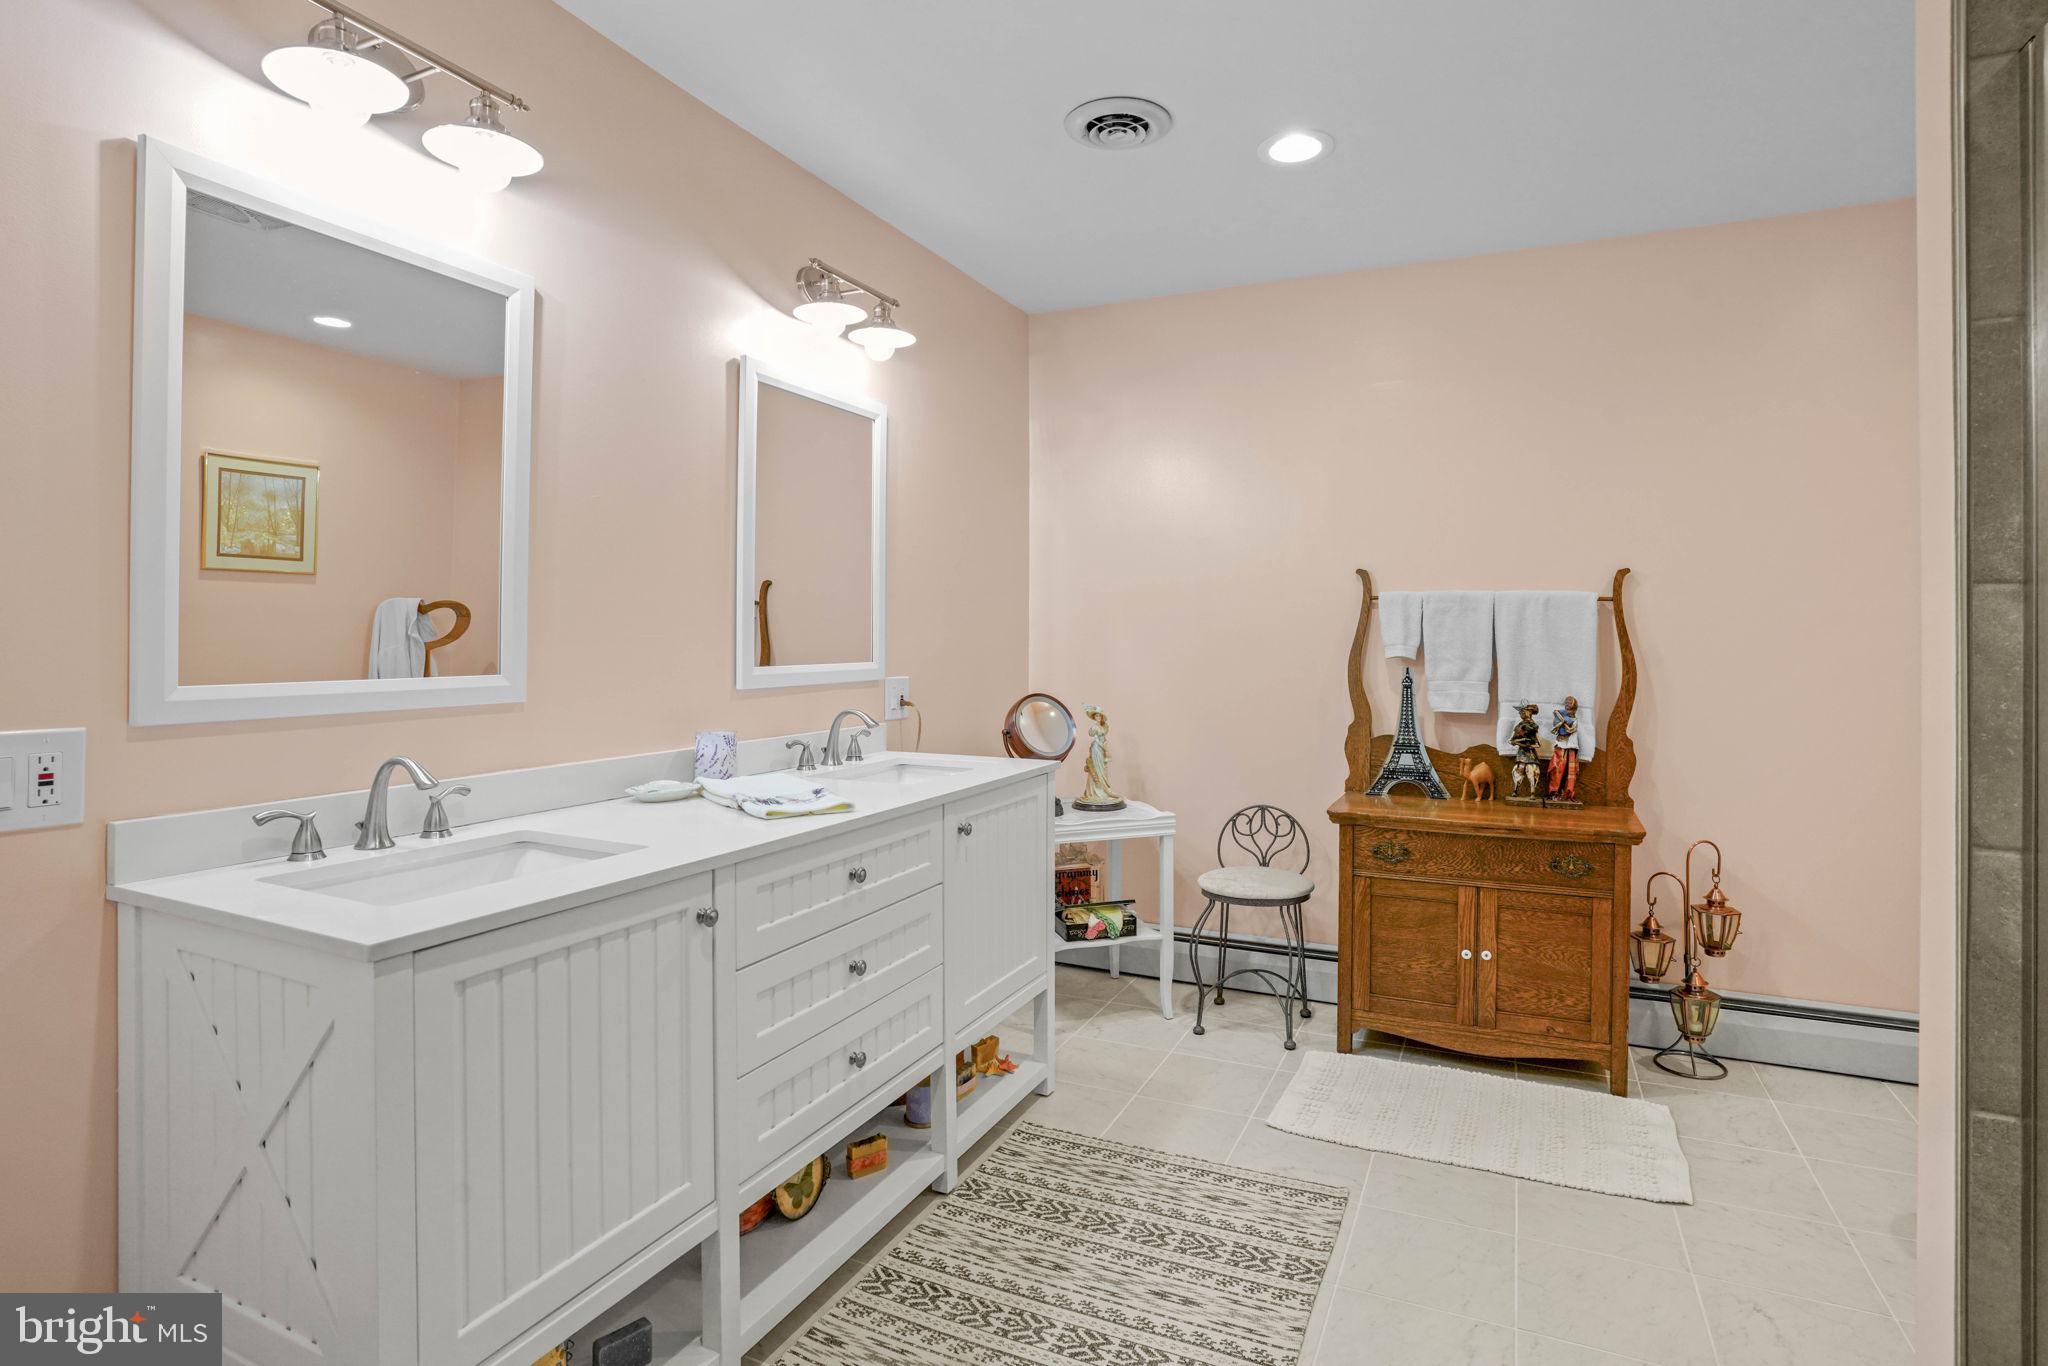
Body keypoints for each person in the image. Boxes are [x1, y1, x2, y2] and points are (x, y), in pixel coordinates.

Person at [1546, 696, 1582, 803]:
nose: (1567, 704)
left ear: (1574, 705)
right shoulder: (1560, 715)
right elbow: (1556, 729)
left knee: (1570, 771)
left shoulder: (1574, 720)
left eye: (1570, 702)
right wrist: (1560, 722)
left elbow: (1571, 730)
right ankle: (1553, 792)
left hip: (1571, 746)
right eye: (1566, 702)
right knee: (1557, 768)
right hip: (1561, 745)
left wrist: (1564, 723)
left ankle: (1568, 793)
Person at [1509, 703, 1543, 799]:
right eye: (1520, 713)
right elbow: (1512, 740)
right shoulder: (1519, 726)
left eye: (1523, 712)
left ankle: (1532, 792)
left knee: (1532, 772)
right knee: (1518, 771)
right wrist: (1518, 743)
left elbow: (1538, 743)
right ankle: (1515, 790)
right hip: (1522, 754)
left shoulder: (1533, 726)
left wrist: (1529, 745)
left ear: (1528, 713)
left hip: (1531, 755)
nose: (1521, 714)